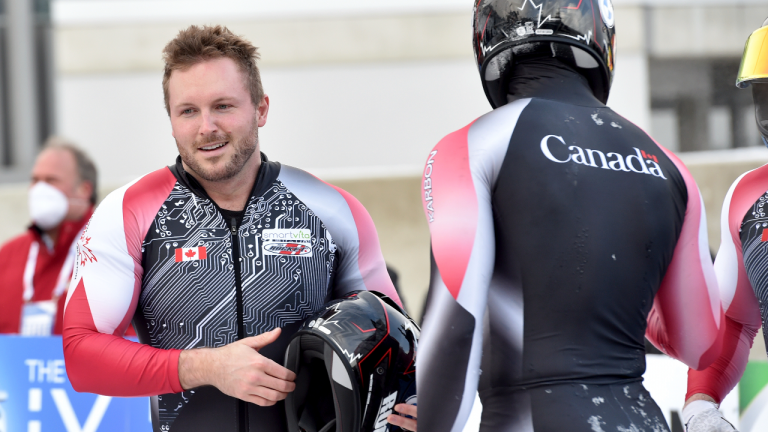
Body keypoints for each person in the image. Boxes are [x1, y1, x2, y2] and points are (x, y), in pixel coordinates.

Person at [62, 25, 401, 432]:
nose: (207, 127)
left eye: (223, 106)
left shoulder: (333, 209)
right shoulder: (126, 212)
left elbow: (391, 340)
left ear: (261, 108)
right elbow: (81, 357)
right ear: (171, 120)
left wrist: (414, 401)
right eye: (188, 110)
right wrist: (207, 367)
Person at [414, 1, 727, 431]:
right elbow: (701, 344)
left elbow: (456, 323)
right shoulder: (668, 164)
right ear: (600, 36)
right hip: (643, 419)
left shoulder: (471, 145)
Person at [681, 17, 768, 432]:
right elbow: (734, 319)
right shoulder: (746, 197)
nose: (766, 114)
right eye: (762, 95)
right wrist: (701, 403)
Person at [0, 137, 96, 336]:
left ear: (84, 190)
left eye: (51, 180)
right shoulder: (8, 255)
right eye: (35, 180)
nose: (39, 190)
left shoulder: (113, 251)